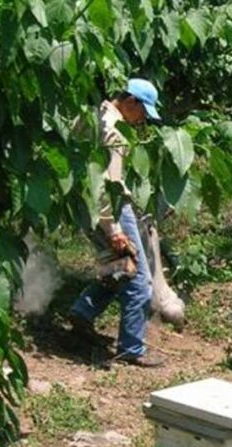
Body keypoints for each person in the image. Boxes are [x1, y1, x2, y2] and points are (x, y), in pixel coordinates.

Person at [69, 78, 165, 368]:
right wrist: (115, 230)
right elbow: (107, 186)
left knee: (119, 268)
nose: (142, 120)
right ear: (130, 101)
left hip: (81, 203)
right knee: (138, 277)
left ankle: (83, 312)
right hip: (108, 208)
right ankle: (131, 348)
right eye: (143, 112)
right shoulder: (115, 132)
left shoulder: (93, 115)